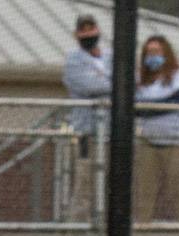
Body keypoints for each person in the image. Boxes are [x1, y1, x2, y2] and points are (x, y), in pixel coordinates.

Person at [134, 35, 179, 222]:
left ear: (166, 53)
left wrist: (148, 109)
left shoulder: (178, 74)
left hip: (175, 142)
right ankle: (141, 231)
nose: (153, 56)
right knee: (145, 192)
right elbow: (135, 108)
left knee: (177, 190)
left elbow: (177, 99)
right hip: (149, 142)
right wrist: (151, 109)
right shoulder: (141, 79)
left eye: (157, 52)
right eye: (149, 52)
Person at [61, 14, 111, 222]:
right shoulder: (73, 60)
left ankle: (108, 227)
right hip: (87, 132)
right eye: (83, 30)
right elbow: (88, 87)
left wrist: (107, 82)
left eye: (92, 29)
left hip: (112, 132)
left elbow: (131, 80)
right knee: (85, 183)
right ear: (76, 34)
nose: (88, 34)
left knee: (111, 184)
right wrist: (113, 83)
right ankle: (78, 229)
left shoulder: (111, 56)